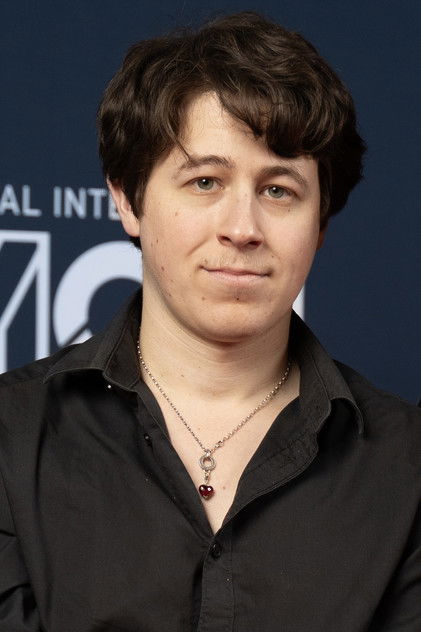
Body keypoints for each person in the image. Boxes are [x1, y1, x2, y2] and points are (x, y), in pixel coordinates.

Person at [0, 11, 420, 631]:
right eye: (205, 182)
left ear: (320, 224)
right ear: (128, 199)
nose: (242, 228)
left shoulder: (406, 465)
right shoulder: (11, 437)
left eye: (279, 190)